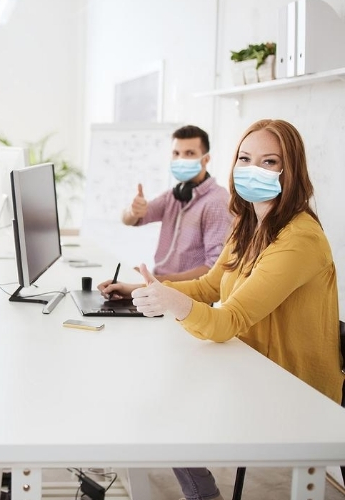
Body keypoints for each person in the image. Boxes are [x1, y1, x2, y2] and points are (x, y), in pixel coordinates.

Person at [100, 119, 344, 500]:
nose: (251, 170)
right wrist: (141, 289)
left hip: (292, 390)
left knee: (165, 404)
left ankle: (203, 495)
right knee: (155, 388)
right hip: (248, 364)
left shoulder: (300, 239)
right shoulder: (248, 224)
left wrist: (175, 304)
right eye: (244, 159)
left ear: (290, 171)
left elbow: (229, 319)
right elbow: (210, 286)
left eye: (268, 162)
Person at [121, 125, 232, 281]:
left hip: (189, 296)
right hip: (161, 286)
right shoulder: (173, 196)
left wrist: (157, 281)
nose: (181, 159)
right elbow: (130, 220)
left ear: (206, 159)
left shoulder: (216, 202)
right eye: (176, 153)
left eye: (190, 153)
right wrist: (133, 211)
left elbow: (214, 269)